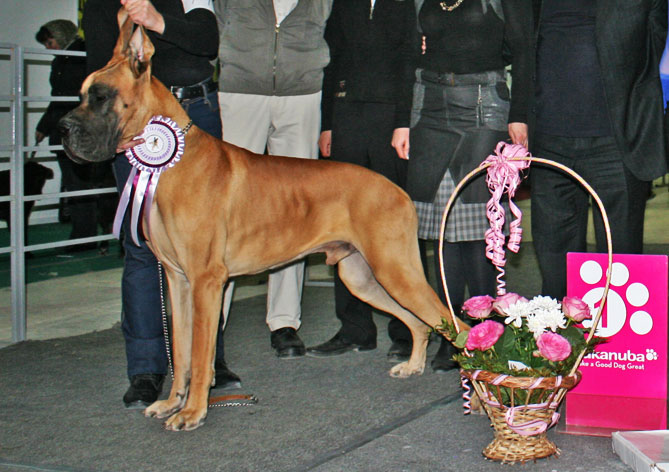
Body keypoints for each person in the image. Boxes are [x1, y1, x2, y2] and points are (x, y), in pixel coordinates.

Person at [82, 0, 241, 409]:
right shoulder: (101, 5)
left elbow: (207, 40)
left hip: (195, 112)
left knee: (205, 252)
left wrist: (156, 20)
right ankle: (146, 369)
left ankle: (209, 363)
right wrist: (111, 131)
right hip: (135, 126)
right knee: (142, 247)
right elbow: (101, 69)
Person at [396, 0, 532, 371]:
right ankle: (451, 331)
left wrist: (519, 114)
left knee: (477, 226)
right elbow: (409, 55)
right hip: (429, 107)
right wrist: (401, 121)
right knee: (441, 229)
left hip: (485, 105)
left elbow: (524, 50)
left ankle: (486, 332)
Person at [214, 0, 332, 358]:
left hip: (303, 95)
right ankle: (212, 316)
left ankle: (284, 321)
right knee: (227, 205)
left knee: (295, 211)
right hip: (240, 91)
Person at [529, 0, 668, 300]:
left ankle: (621, 348)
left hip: (616, 142)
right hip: (548, 142)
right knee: (555, 266)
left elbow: (655, 40)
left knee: (622, 266)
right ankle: (560, 343)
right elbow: (515, 42)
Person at [304, 0, 418, 362]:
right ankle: (354, 328)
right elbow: (331, 58)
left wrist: (404, 120)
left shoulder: (406, 4)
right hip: (346, 113)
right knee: (340, 224)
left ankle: (405, 329)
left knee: (393, 226)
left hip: (391, 118)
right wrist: (328, 123)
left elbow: (410, 60)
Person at [35, 20, 103, 250]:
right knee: (76, 183)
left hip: (77, 130)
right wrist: (43, 127)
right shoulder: (65, 58)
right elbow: (59, 96)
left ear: (60, 36)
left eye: (49, 41)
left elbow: (69, 96)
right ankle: (85, 234)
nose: (48, 47)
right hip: (65, 129)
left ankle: (84, 235)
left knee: (78, 183)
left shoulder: (78, 55)